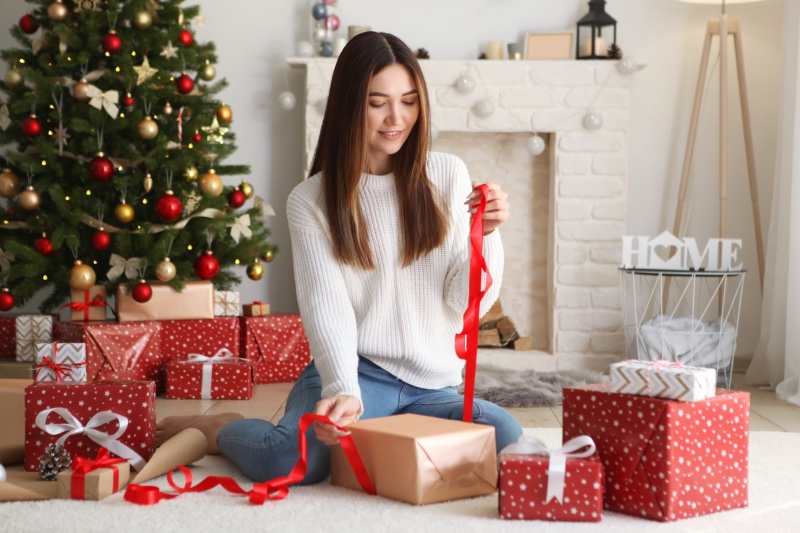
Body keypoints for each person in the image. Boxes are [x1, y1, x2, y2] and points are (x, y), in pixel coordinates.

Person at [157, 31, 522, 484]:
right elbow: (325, 307)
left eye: (409, 101)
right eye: (378, 103)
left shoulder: (447, 174)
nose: (397, 118)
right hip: (359, 372)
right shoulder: (310, 201)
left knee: (507, 434)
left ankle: (380, 435)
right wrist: (343, 390)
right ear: (351, 105)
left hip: (434, 387)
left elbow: (464, 303)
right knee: (286, 461)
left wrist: (484, 236)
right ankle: (218, 428)